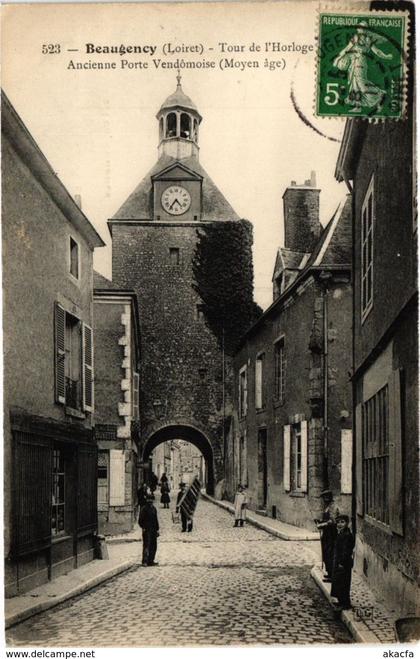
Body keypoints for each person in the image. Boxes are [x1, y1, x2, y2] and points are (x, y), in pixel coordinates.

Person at [333, 21, 393, 113]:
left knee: (362, 86)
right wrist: (338, 58)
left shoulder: (366, 39)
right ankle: (358, 107)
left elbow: (376, 51)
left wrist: (386, 56)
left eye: (363, 27)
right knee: (355, 86)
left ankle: (381, 93)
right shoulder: (358, 38)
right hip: (354, 63)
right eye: (360, 27)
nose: (360, 29)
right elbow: (346, 49)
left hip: (360, 63)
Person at [331, 514, 355, 610]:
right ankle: (341, 601)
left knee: (344, 582)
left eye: (342, 522)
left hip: (344, 563)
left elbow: (346, 551)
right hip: (339, 562)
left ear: (347, 523)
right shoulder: (341, 533)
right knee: (339, 581)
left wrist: (341, 563)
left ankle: (345, 603)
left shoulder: (347, 535)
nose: (340, 524)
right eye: (338, 522)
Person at [315, 489, 339, 582]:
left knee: (330, 554)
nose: (325, 499)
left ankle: (332, 575)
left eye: (327, 497)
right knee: (326, 554)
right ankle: (329, 573)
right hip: (326, 534)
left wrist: (321, 525)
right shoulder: (327, 507)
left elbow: (332, 521)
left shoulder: (333, 507)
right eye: (324, 497)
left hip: (332, 535)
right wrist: (319, 521)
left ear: (330, 497)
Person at [138, 494, 160, 566]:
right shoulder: (144, 509)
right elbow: (140, 520)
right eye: (149, 499)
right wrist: (143, 527)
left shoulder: (154, 509)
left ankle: (151, 561)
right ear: (147, 500)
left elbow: (156, 520)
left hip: (153, 529)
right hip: (147, 530)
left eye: (151, 500)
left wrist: (157, 529)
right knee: (147, 545)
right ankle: (145, 561)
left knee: (153, 546)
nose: (150, 501)